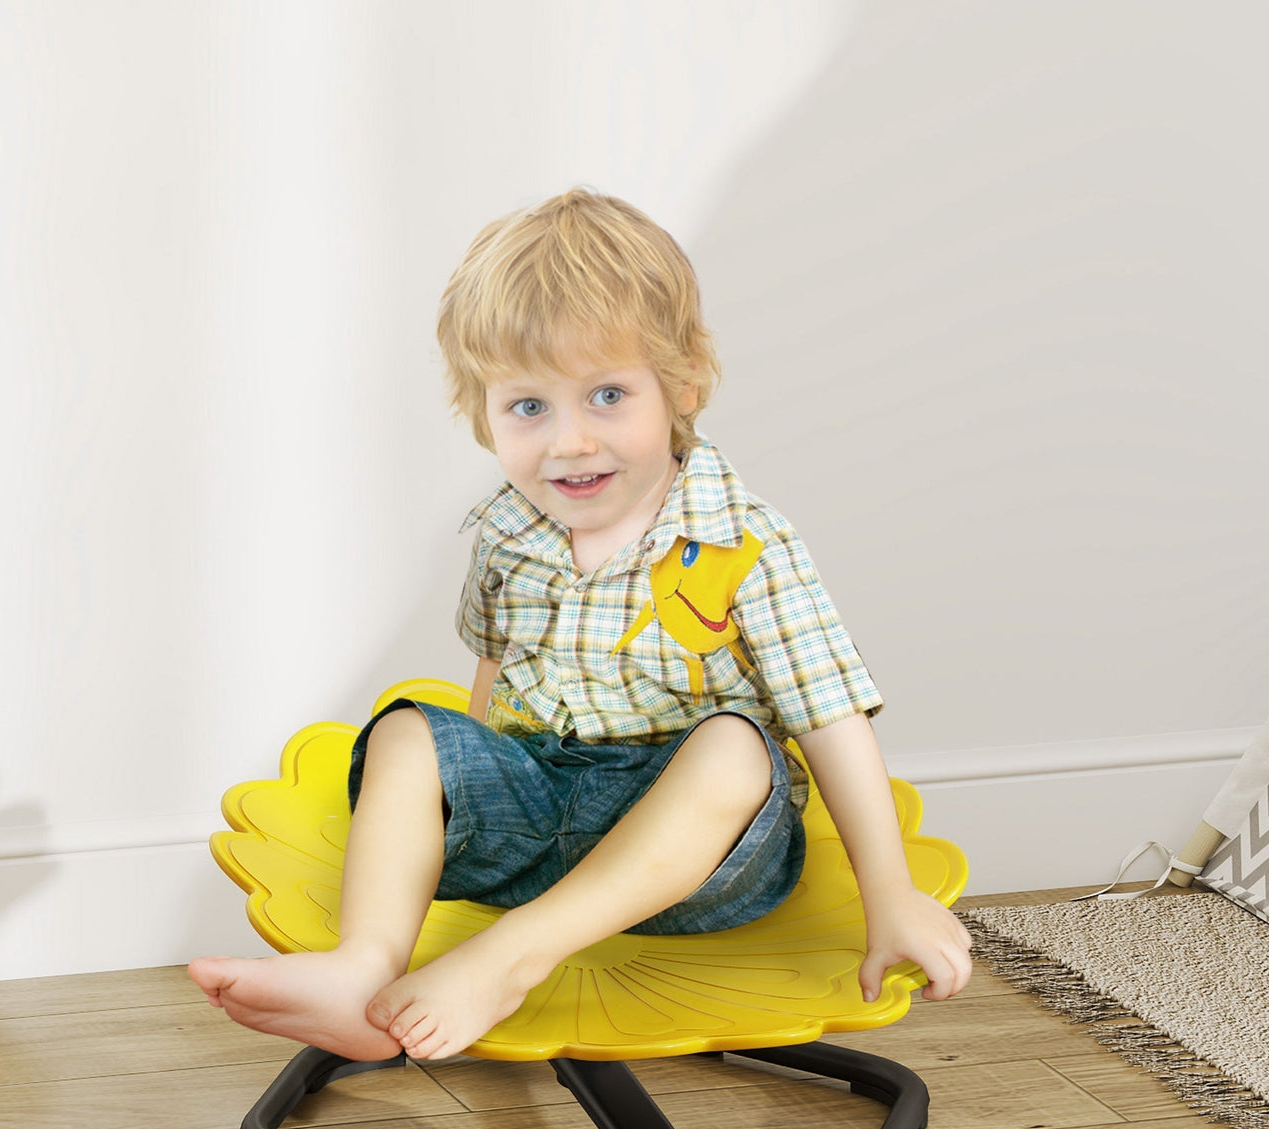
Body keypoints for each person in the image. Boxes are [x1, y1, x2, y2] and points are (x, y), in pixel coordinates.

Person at [188, 187, 972, 1062]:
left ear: (682, 385)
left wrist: (890, 895)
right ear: (481, 413)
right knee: (410, 730)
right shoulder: (506, 534)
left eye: (606, 395)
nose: (569, 442)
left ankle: (509, 959)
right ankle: (361, 968)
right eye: (529, 407)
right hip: (540, 814)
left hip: (696, 861)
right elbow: (490, 685)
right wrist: (460, 792)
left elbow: (831, 719)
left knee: (738, 748)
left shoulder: (744, 544)